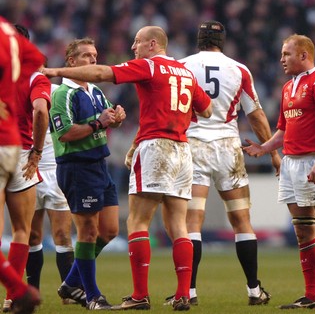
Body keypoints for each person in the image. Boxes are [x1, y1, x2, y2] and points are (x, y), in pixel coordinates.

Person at [42, 26, 212, 311]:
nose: (133, 47)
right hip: (183, 150)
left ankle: (139, 295)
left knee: (137, 222)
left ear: (152, 44)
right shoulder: (185, 72)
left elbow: (100, 74)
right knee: (179, 225)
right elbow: (206, 110)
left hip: (156, 147)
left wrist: (54, 71)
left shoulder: (148, 65)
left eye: (137, 42)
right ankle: (184, 293)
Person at [161, 20, 281, 307]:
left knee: (192, 221)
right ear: (221, 41)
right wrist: (272, 152)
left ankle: (188, 291)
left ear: (198, 39)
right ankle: (254, 290)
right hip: (228, 147)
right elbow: (255, 115)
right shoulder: (238, 69)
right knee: (241, 220)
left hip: (192, 146)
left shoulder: (181, 66)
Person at [243, 34, 315, 310]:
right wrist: (264, 148)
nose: (282, 59)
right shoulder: (289, 87)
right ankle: (313, 295)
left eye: (286, 54)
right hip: (291, 164)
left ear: (303, 55)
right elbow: (284, 130)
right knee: (304, 233)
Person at [48, 37, 126, 310]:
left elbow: (103, 126)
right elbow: (66, 134)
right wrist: (98, 122)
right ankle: (93, 296)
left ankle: (70, 283)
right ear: (71, 62)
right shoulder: (62, 93)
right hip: (76, 167)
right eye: (86, 56)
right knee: (88, 232)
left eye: (95, 55)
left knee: (110, 230)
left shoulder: (94, 90)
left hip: (99, 165)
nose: (93, 60)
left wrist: (115, 119)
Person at [3, 23, 51, 312]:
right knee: (22, 230)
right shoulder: (36, 75)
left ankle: (16, 289)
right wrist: (37, 150)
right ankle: (13, 295)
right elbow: (41, 110)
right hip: (21, 155)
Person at [27, 85, 75, 302]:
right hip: (27, 170)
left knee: (63, 235)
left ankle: (69, 291)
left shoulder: (58, 92)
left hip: (56, 170)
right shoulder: (14, 90)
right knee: (31, 236)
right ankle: (31, 292)